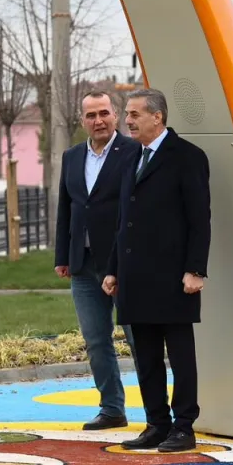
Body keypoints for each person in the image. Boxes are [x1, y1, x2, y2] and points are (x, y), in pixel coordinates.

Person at [102, 88, 210, 453]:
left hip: (173, 277)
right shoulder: (132, 157)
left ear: (157, 117)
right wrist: (113, 268)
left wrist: (196, 269)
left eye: (134, 114)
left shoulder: (187, 156)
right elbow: (123, 220)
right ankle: (156, 424)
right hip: (135, 277)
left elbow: (200, 219)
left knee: (180, 356)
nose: (127, 121)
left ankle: (184, 426)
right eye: (127, 114)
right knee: (146, 357)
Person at [54, 88, 140, 430]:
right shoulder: (72, 157)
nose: (98, 120)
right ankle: (112, 408)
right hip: (83, 263)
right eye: (91, 115)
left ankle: (158, 413)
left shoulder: (134, 152)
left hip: (124, 262)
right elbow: (67, 208)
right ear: (83, 120)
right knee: (95, 340)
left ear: (115, 115)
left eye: (104, 113)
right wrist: (63, 255)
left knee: (138, 337)